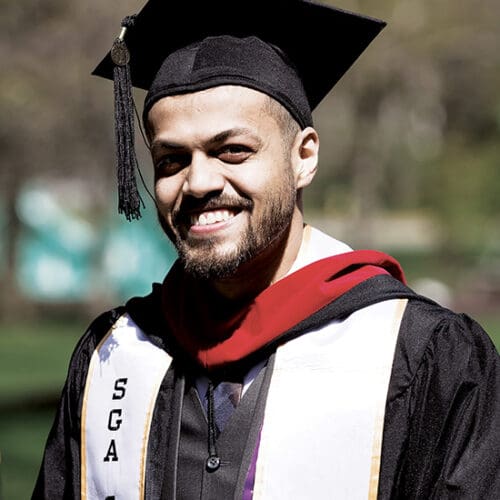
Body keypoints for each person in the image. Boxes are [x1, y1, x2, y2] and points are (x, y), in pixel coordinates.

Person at [33, 0, 500, 498]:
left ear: (304, 158)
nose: (198, 182)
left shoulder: (420, 354)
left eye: (232, 150)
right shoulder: (114, 355)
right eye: (171, 159)